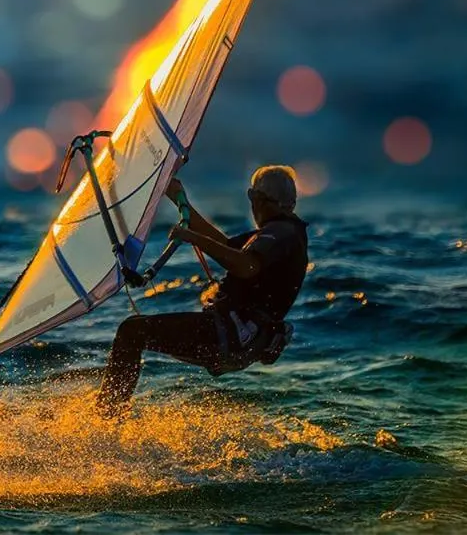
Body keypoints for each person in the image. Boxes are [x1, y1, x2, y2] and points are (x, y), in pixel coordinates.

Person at [95, 165, 309, 419]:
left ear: (259, 199)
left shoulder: (280, 233)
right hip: (238, 341)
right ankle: (110, 413)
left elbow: (246, 265)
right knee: (134, 333)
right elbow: (227, 247)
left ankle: (106, 416)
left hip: (227, 336)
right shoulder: (283, 232)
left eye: (252, 198)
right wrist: (178, 200)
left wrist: (193, 238)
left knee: (132, 332)